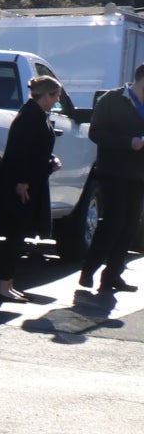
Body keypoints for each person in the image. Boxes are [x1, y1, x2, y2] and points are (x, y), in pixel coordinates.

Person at [0, 75, 64, 303]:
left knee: (18, 236)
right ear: (47, 95)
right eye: (56, 96)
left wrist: (50, 161)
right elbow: (19, 152)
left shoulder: (36, 115)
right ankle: (2, 286)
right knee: (14, 234)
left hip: (31, 181)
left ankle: (8, 283)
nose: (58, 100)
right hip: (21, 185)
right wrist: (21, 182)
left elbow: (36, 150)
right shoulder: (29, 117)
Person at [81, 63, 144, 293]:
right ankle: (89, 269)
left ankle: (112, 275)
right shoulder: (112, 99)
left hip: (138, 174)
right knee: (113, 223)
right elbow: (95, 132)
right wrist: (128, 142)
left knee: (130, 225)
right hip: (114, 171)